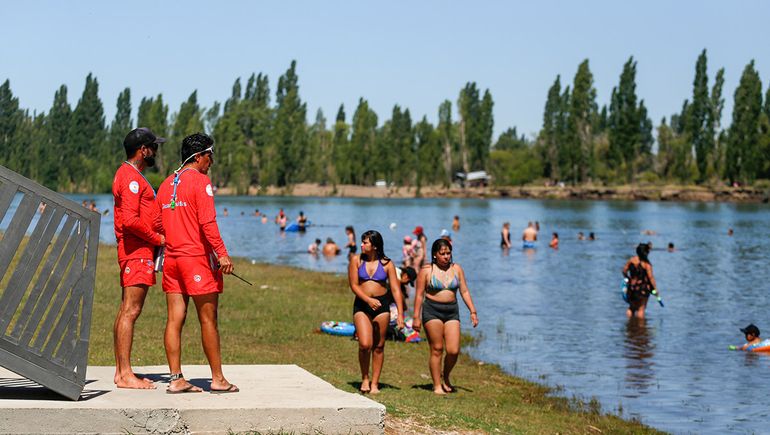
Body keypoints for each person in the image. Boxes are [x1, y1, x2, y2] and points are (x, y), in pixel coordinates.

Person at [156, 132, 238, 394]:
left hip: (172, 260)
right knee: (208, 320)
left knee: (174, 319)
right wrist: (222, 253)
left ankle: (176, 378)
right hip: (196, 261)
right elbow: (207, 222)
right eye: (210, 155)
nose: (211, 161)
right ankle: (218, 379)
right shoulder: (201, 182)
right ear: (199, 156)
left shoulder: (167, 183)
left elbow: (158, 223)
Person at [111, 127, 166, 389]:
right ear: (143, 150)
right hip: (136, 252)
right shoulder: (131, 179)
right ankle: (125, 375)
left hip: (137, 251)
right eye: (153, 147)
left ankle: (122, 372)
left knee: (126, 310)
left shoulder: (132, 176)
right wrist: (159, 240)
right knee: (130, 312)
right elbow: (131, 221)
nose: (156, 151)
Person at [413, 239, 478, 395]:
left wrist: (473, 311)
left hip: (451, 311)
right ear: (435, 255)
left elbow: (464, 291)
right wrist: (416, 317)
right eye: (442, 254)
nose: (446, 256)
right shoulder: (427, 270)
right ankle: (437, 385)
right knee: (437, 349)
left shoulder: (457, 269)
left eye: (448, 253)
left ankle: (446, 376)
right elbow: (419, 295)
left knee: (453, 350)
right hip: (432, 310)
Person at [348, 230, 405, 394]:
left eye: (365, 242)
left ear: (374, 245)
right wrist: (368, 300)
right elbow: (354, 285)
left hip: (382, 307)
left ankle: (375, 383)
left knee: (379, 347)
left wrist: (400, 315)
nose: (361, 245)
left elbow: (395, 289)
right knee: (365, 344)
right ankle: (365, 378)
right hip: (362, 305)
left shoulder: (387, 264)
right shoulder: (356, 260)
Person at [622, 243, 658, 319]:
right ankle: (641, 328)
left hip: (632, 288)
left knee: (631, 307)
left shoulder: (631, 260)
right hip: (643, 289)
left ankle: (629, 325)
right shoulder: (646, 264)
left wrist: (627, 278)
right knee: (641, 309)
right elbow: (651, 278)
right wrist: (655, 289)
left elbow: (624, 270)